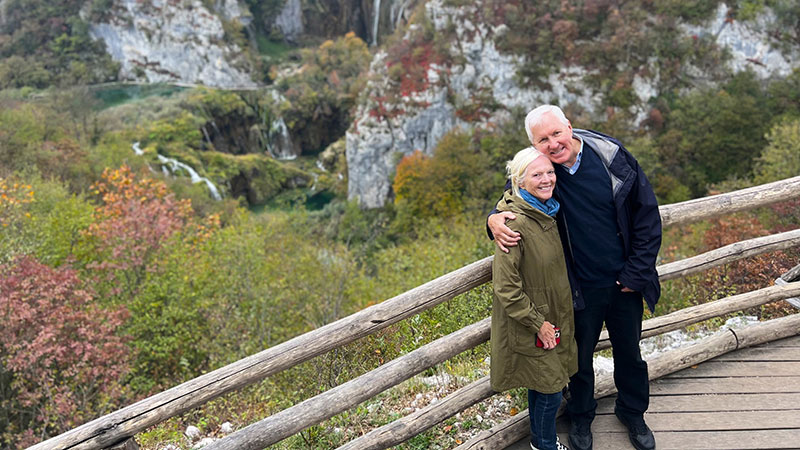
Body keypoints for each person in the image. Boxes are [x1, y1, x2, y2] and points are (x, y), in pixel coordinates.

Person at [488, 105, 661, 450]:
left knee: (629, 352)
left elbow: (646, 216)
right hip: (578, 287)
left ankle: (633, 412)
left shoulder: (610, 156)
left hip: (624, 280)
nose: (553, 144)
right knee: (577, 359)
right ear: (533, 144)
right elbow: (513, 199)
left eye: (556, 133)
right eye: (543, 139)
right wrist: (493, 220)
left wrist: (637, 272)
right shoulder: (540, 169)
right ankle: (581, 417)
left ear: (570, 127)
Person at [491, 147, 577, 450]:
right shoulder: (513, 224)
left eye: (549, 172)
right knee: (551, 388)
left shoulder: (547, 211)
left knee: (543, 384)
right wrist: (537, 323)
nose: (546, 179)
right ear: (519, 181)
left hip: (552, 316)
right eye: (536, 174)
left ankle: (542, 442)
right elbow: (506, 287)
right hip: (534, 323)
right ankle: (544, 445)